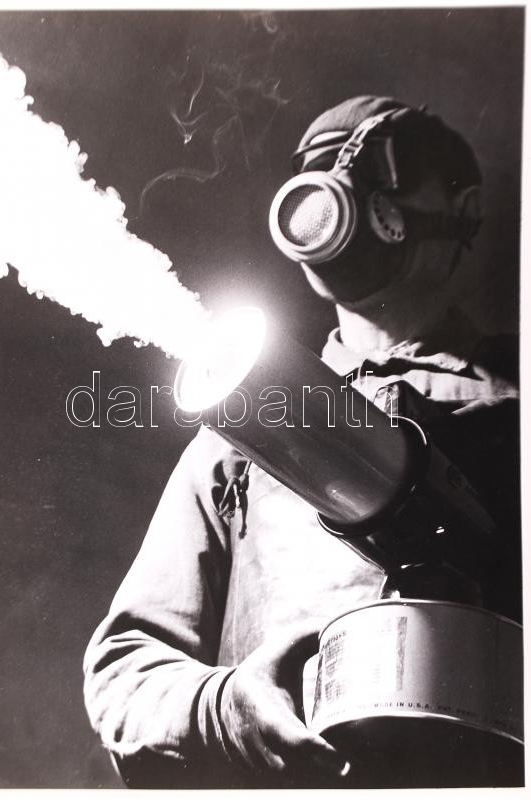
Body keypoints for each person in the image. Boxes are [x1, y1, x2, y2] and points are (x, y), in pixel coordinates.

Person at [83, 96, 520, 789]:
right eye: (317, 170)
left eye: (389, 170)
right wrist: (227, 710)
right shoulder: (238, 440)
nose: (337, 191)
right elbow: (127, 670)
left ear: (462, 207)